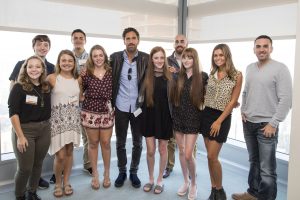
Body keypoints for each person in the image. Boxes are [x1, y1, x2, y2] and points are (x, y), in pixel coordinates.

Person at [232, 35, 292, 200]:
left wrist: (274, 123)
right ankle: (253, 193)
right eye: (258, 46)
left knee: (267, 169)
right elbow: (246, 92)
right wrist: (243, 109)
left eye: (265, 46)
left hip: (267, 125)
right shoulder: (250, 67)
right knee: (254, 162)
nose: (262, 49)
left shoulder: (280, 69)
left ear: (271, 48)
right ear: (254, 49)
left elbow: (286, 100)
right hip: (249, 123)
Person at [9, 34, 54, 189]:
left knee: (37, 164)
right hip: (24, 127)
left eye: (46, 44)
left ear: (43, 70)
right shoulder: (19, 81)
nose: (34, 69)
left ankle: (32, 190)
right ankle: (20, 194)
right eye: (31, 67)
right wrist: (19, 134)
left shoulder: (48, 79)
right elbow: (13, 109)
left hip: (44, 127)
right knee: (25, 167)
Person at [201, 44, 242, 200]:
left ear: (227, 56)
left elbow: (232, 102)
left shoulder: (237, 75)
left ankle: (220, 190)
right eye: (215, 55)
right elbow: (206, 95)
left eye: (221, 55)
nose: (218, 58)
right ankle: (214, 190)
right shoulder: (212, 74)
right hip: (206, 115)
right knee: (208, 157)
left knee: (213, 156)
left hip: (222, 118)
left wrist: (218, 121)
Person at [110, 27, 149, 188]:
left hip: (138, 107)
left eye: (134, 38)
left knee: (138, 143)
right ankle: (122, 171)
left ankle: (134, 172)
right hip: (120, 106)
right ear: (124, 41)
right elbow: (102, 73)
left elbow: (156, 76)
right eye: (128, 38)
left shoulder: (146, 58)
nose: (131, 41)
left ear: (138, 40)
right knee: (120, 142)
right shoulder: (115, 58)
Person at [171, 48, 208, 200]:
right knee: (180, 151)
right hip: (178, 117)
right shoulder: (178, 76)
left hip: (193, 118)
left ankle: (194, 184)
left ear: (195, 60)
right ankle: (185, 181)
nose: (186, 60)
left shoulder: (203, 76)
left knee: (188, 154)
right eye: (184, 58)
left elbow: (211, 95)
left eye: (189, 58)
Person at [79, 45, 114, 190]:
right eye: (95, 56)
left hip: (107, 112)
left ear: (105, 56)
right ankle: (95, 175)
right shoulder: (85, 73)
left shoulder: (112, 71)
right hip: (90, 113)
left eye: (101, 55)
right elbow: (79, 92)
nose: (98, 58)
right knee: (92, 143)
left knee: (105, 143)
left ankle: (107, 173)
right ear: (91, 58)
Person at [47, 50, 81, 197]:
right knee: (60, 155)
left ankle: (66, 182)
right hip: (58, 121)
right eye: (64, 60)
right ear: (59, 62)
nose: (67, 63)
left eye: (70, 60)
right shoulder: (52, 78)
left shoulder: (78, 79)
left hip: (73, 120)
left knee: (69, 152)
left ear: (74, 63)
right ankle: (57, 183)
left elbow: (81, 97)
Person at [164, 34, 197, 179]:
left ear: (187, 43)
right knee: (170, 140)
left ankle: (191, 169)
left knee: (190, 143)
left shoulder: (192, 60)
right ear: (173, 44)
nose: (179, 44)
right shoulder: (166, 61)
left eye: (182, 41)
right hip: (171, 106)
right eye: (176, 41)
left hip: (190, 109)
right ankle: (169, 166)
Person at [141, 46, 173, 194]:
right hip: (148, 116)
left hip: (165, 117)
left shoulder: (171, 76)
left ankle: (160, 179)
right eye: (156, 58)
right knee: (151, 150)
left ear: (164, 59)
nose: (159, 60)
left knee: (162, 149)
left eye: (162, 57)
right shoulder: (145, 76)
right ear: (151, 59)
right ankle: (151, 178)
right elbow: (139, 98)